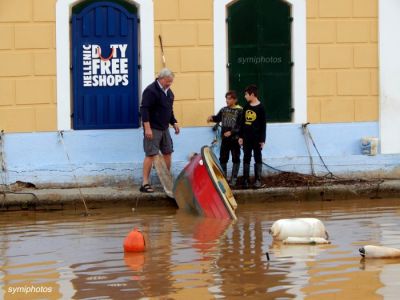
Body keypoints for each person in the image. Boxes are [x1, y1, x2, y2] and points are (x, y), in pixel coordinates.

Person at [139, 68, 180, 193]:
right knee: (151, 154)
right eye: (168, 81)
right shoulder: (151, 91)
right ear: (161, 78)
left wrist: (174, 122)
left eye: (171, 82)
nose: (169, 84)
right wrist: (147, 128)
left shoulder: (169, 92)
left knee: (168, 152)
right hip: (153, 128)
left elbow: (169, 110)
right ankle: (145, 183)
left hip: (164, 128)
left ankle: (166, 181)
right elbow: (144, 109)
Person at [207, 91, 243, 186]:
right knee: (223, 158)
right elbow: (218, 118)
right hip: (225, 139)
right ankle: (223, 178)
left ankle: (234, 178)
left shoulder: (240, 111)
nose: (227, 100)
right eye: (226, 98)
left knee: (236, 158)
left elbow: (240, 126)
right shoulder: (224, 110)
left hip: (235, 139)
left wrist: (231, 132)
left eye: (230, 98)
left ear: (235, 100)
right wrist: (211, 118)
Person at [238, 85, 266, 188]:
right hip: (246, 138)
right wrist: (241, 137)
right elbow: (242, 123)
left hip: (257, 139)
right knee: (246, 157)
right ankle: (246, 180)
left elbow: (263, 125)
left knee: (258, 158)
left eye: (246, 94)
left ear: (252, 94)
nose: (245, 96)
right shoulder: (246, 107)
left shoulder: (261, 108)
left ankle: (257, 180)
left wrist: (262, 140)